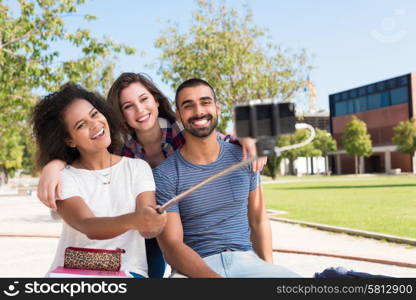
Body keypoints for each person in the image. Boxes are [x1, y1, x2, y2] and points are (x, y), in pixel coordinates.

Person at [36, 73, 266, 277]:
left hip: (175, 227)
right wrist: (55, 164)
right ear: (120, 115)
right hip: (127, 243)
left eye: (144, 99)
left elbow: (214, 141)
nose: (139, 110)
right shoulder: (120, 148)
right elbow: (88, 159)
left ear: (156, 100)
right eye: (128, 106)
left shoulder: (179, 131)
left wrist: (245, 137)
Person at [153, 78, 299, 278]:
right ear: (178, 115)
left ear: (217, 108)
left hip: (246, 262)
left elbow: (258, 220)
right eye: (188, 106)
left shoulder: (244, 156)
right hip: (194, 269)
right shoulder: (165, 174)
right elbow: (172, 246)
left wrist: (269, 270)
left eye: (205, 102)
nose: (198, 111)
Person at [31, 83, 167, 278]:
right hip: (73, 273)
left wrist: (150, 223)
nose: (95, 125)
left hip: (127, 271)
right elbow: (88, 225)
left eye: (95, 114)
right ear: (69, 140)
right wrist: (136, 220)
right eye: (81, 125)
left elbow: (146, 226)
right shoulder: (63, 178)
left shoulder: (137, 168)